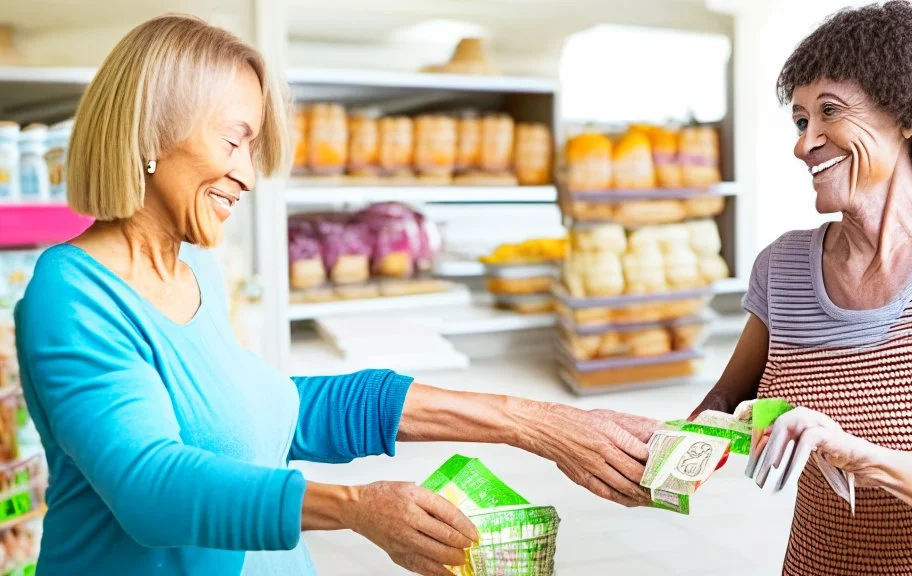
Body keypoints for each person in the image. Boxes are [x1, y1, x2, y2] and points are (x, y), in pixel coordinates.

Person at [13, 15, 659, 576]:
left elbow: (270, 412)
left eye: (254, 147)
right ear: (153, 129)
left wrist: (545, 427)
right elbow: (151, 487)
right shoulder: (70, 296)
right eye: (234, 140)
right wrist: (357, 508)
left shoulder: (196, 270)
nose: (246, 173)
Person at [690, 2, 912, 574]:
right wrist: (668, 446)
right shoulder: (784, 266)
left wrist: (851, 452)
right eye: (800, 121)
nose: (804, 143)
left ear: (907, 116)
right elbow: (723, 403)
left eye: (829, 113)